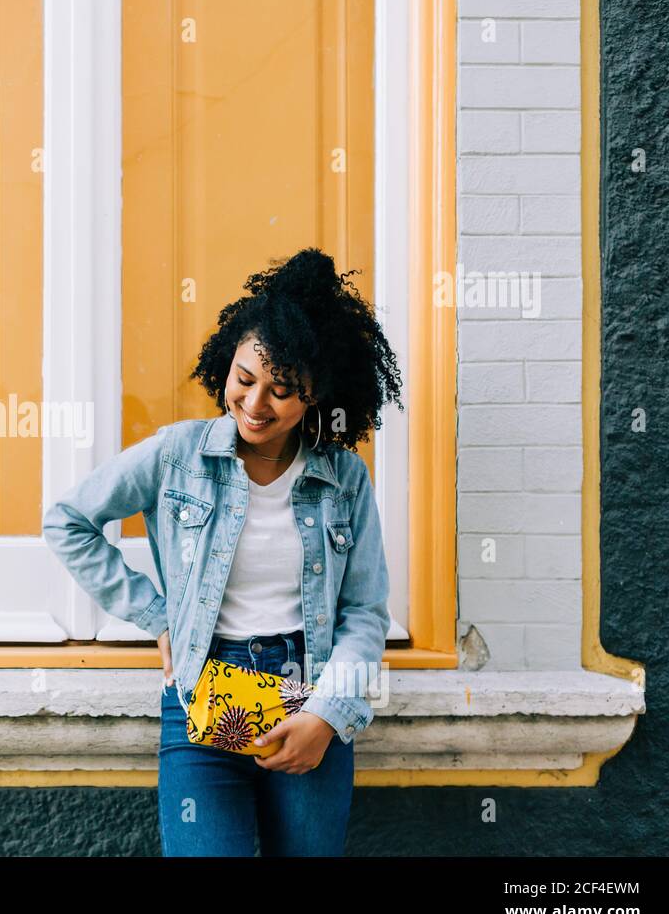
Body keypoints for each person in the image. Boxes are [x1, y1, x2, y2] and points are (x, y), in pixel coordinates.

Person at [42, 247, 403, 856]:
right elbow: (69, 521)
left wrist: (329, 715)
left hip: (309, 694)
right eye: (245, 378)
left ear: (316, 394)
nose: (256, 403)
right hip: (199, 696)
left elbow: (364, 613)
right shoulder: (177, 455)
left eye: (283, 390)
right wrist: (157, 616)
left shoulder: (345, 478)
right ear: (226, 364)